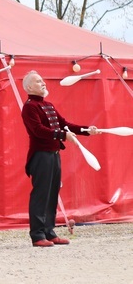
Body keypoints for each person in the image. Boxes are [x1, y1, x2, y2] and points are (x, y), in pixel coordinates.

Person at [21, 71, 100, 247]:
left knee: (52, 194)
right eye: (38, 81)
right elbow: (38, 130)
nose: (43, 83)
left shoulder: (48, 105)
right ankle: (37, 235)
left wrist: (87, 130)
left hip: (53, 155)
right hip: (40, 156)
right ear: (29, 87)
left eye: (42, 80)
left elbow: (66, 124)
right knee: (40, 195)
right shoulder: (29, 107)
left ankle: (49, 231)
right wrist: (63, 136)